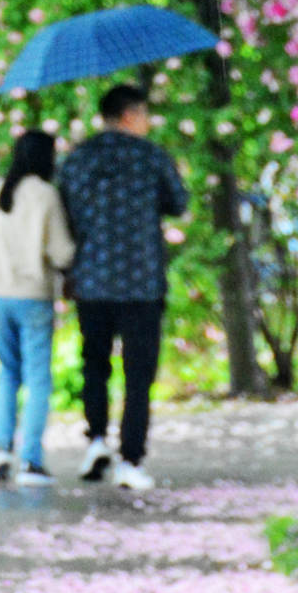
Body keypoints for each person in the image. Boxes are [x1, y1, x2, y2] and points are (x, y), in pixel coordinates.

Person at [56, 79, 188, 492]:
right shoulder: (151, 156)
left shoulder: (77, 160)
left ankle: (96, 440)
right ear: (130, 115)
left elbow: (64, 211)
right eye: (145, 115)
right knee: (138, 374)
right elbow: (179, 203)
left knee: (94, 364)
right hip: (140, 281)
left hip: (92, 279)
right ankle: (131, 459)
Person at [0, 125, 76, 486]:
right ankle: (31, 462)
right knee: (37, 379)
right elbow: (62, 252)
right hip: (33, 296)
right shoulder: (45, 195)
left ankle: (1, 451)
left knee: (7, 373)